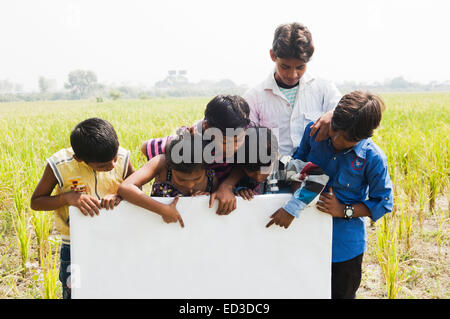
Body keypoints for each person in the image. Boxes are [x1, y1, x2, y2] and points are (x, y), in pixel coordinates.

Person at [270, 91, 394, 299]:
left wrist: (343, 210)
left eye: (346, 139)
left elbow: (383, 203)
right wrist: (298, 193)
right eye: (335, 129)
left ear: (363, 137)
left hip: (343, 248)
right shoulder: (314, 132)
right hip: (304, 238)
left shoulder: (373, 158)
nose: (336, 139)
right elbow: (296, 163)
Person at [30, 117, 135, 299]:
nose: (112, 166)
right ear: (79, 159)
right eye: (103, 165)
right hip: (75, 244)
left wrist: (121, 195)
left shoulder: (123, 157)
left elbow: (136, 188)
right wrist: (66, 197)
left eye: (114, 158)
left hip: (116, 239)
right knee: (76, 292)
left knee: (116, 288)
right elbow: (37, 202)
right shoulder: (60, 165)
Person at [243, 22, 342, 157]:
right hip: (272, 173)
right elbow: (249, 144)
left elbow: (346, 113)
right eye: (285, 67)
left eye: (300, 67)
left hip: (315, 171)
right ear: (272, 55)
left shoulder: (324, 88)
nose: (292, 75)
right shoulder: (253, 98)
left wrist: (333, 113)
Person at [140, 95, 250, 215]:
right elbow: (146, 147)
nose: (234, 147)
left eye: (238, 140)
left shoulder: (241, 132)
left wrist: (227, 186)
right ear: (207, 129)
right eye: (225, 142)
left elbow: (243, 164)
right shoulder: (190, 142)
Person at [118, 134, 219, 226]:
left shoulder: (211, 178)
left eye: (197, 179)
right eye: (181, 179)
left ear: (206, 167)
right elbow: (125, 187)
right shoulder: (161, 164)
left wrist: (202, 202)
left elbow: (213, 214)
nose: (190, 185)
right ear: (169, 165)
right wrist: (162, 209)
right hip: (154, 226)